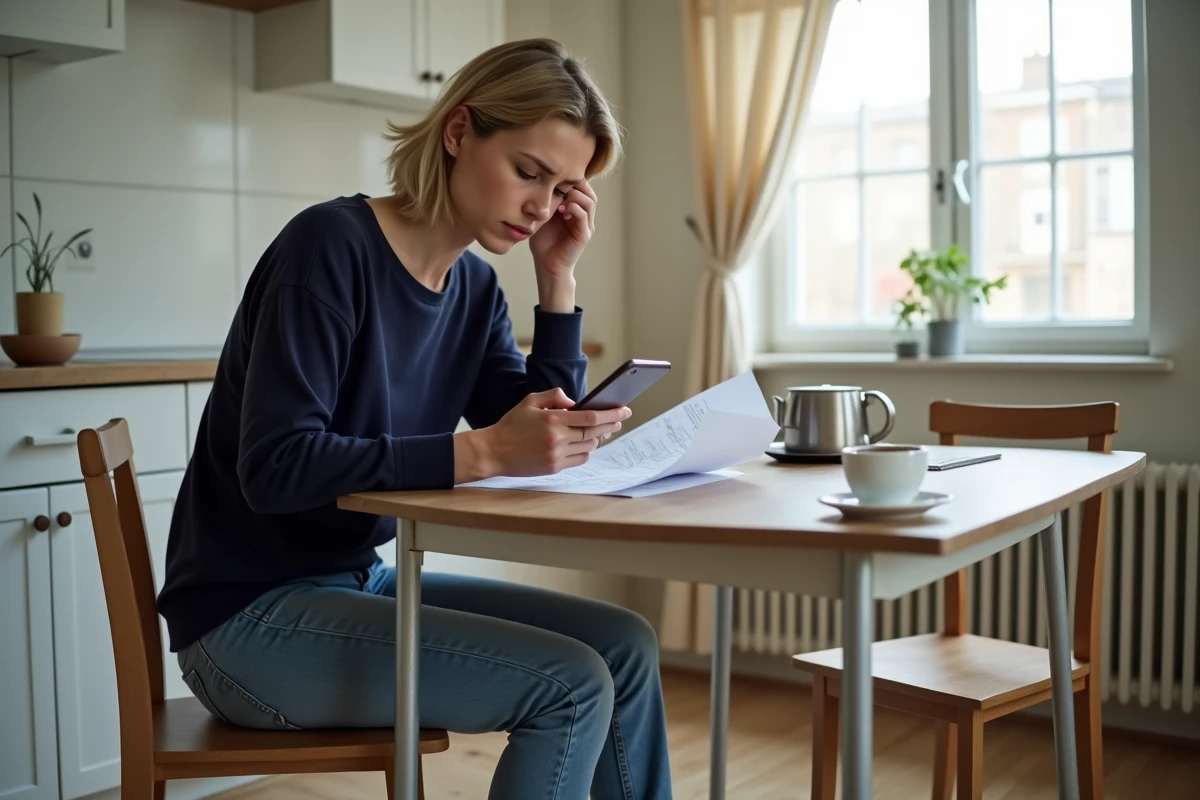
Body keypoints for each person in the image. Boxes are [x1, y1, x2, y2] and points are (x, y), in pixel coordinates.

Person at [155, 38, 673, 800]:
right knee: (569, 686)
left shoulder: (471, 290)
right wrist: (484, 453)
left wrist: (557, 278)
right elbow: (277, 468)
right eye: (529, 173)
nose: (540, 205)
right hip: (247, 620)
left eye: (563, 188)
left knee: (623, 645)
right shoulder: (329, 248)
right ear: (459, 133)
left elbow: (534, 430)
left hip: (357, 585)